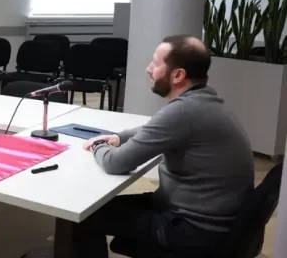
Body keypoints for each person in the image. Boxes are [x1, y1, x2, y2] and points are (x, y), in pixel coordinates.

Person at [75, 35, 254, 257]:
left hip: (193, 229)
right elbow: (154, 128)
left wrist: (98, 145)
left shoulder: (183, 111)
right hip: (213, 220)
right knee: (95, 210)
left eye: (155, 63)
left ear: (178, 75)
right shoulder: (205, 101)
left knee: (82, 216)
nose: (148, 69)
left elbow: (115, 163)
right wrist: (118, 137)